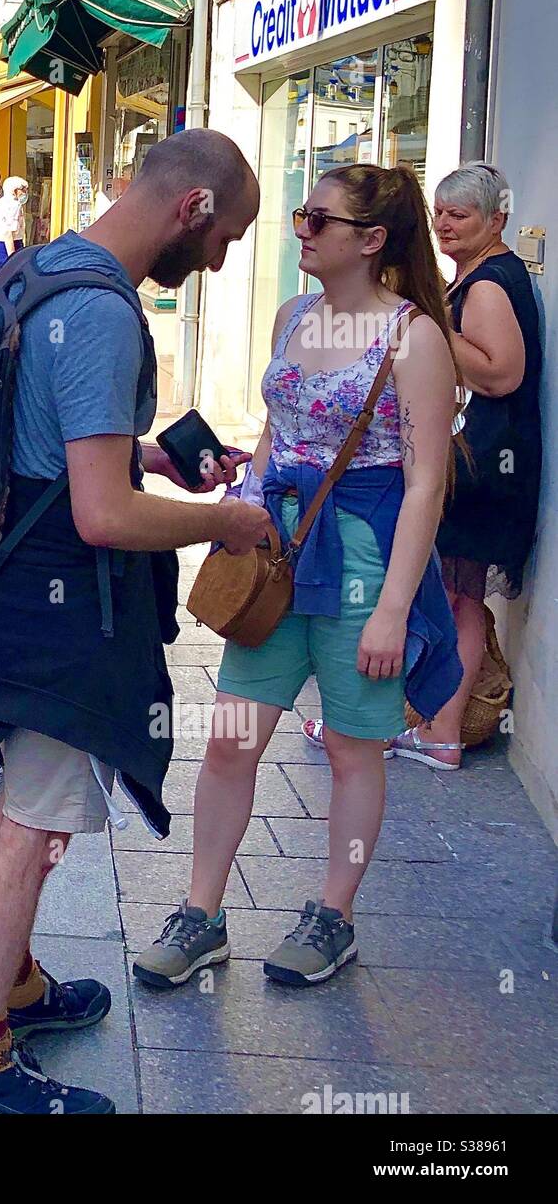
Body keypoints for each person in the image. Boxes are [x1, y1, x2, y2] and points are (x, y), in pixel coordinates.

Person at [0, 129, 267, 1115]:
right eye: (226, 238)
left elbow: (60, 452)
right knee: (29, 831)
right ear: (193, 209)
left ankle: (23, 986)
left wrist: (153, 459)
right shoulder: (104, 312)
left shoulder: (48, 265)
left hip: (0, 590)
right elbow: (101, 515)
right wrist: (227, 521)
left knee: (34, 821)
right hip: (48, 613)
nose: (219, 261)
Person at [133, 162, 463, 1000]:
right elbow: (280, 432)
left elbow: (426, 481)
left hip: (362, 562)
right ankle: (201, 915)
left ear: (373, 239)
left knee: (355, 750)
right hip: (280, 554)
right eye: (300, 215)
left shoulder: (415, 337)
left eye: (319, 220)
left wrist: (394, 607)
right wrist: (243, 500)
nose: (302, 231)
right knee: (232, 740)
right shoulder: (291, 319)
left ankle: (332, 914)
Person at [368, 162, 540, 771]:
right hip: (483, 460)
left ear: (497, 219)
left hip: (487, 464)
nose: (444, 225)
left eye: (459, 215)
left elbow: (501, 372)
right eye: (439, 213)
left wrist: (430, 326)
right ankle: (435, 725)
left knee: (459, 597)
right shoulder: (479, 276)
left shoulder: (489, 283)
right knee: (454, 592)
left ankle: (440, 732)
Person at [0, 175, 29, 277]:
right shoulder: (14, 205)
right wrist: (12, 257)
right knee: (10, 278)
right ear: (14, 191)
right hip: (8, 246)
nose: (25, 193)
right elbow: (8, 232)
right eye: (22, 190)